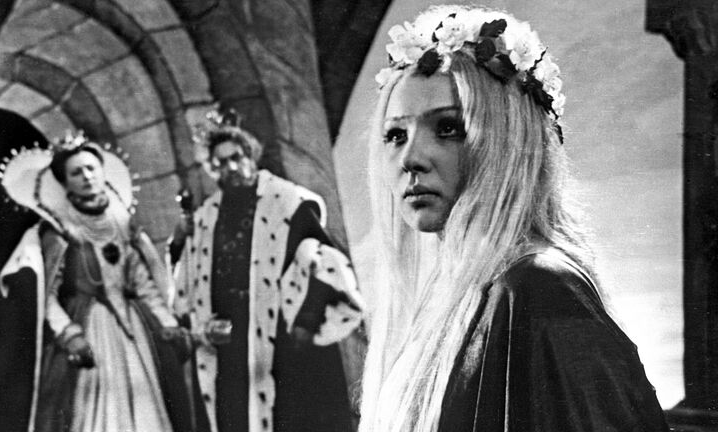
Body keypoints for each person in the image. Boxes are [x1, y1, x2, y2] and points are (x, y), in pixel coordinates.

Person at [359, 6, 669, 432]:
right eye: (396, 135)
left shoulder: (540, 287)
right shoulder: (458, 296)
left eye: (447, 128)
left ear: (507, 139)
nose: (410, 158)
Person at [168, 110, 364, 432]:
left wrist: (306, 322)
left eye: (236, 157)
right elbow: (186, 283)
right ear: (212, 169)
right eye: (221, 163)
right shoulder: (204, 217)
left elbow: (321, 261)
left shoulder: (286, 201)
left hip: (281, 336)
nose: (231, 167)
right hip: (230, 343)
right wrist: (179, 242)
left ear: (250, 156)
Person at [0, 131, 203, 432]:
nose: (86, 177)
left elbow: (142, 282)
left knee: (146, 405)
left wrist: (166, 321)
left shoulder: (121, 223)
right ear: (65, 182)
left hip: (134, 330)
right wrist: (69, 333)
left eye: (91, 168)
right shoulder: (59, 230)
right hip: (89, 328)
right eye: (76, 172)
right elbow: (47, 295)